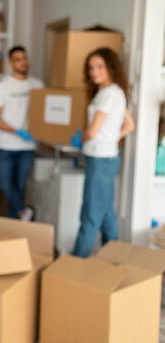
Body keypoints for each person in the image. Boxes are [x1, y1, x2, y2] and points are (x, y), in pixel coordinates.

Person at [70, 47, 135, 258]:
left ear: (111, 67)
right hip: (106, 157)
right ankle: (112, 258)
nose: (94, 72)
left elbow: (92, 130)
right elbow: (130, 125)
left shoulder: (109, 94)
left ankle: (74, 264)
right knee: (106, 214)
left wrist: (80, 139)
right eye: (91, 68)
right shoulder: (113, 92)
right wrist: (112, 138)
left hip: (100, 160)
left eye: (100, 67)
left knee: (90, 214)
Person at [0, 46, 44, 220]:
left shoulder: (37, 85)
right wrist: (17, 131)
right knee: (5, 184)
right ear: (10, 63)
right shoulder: (2, 87)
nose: (23, 62)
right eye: (18, 59)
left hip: (28, 145)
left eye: (25, 58)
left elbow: (44, 114)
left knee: (19, 188)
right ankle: (24, 211)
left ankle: (15, 224)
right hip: (6, 144)